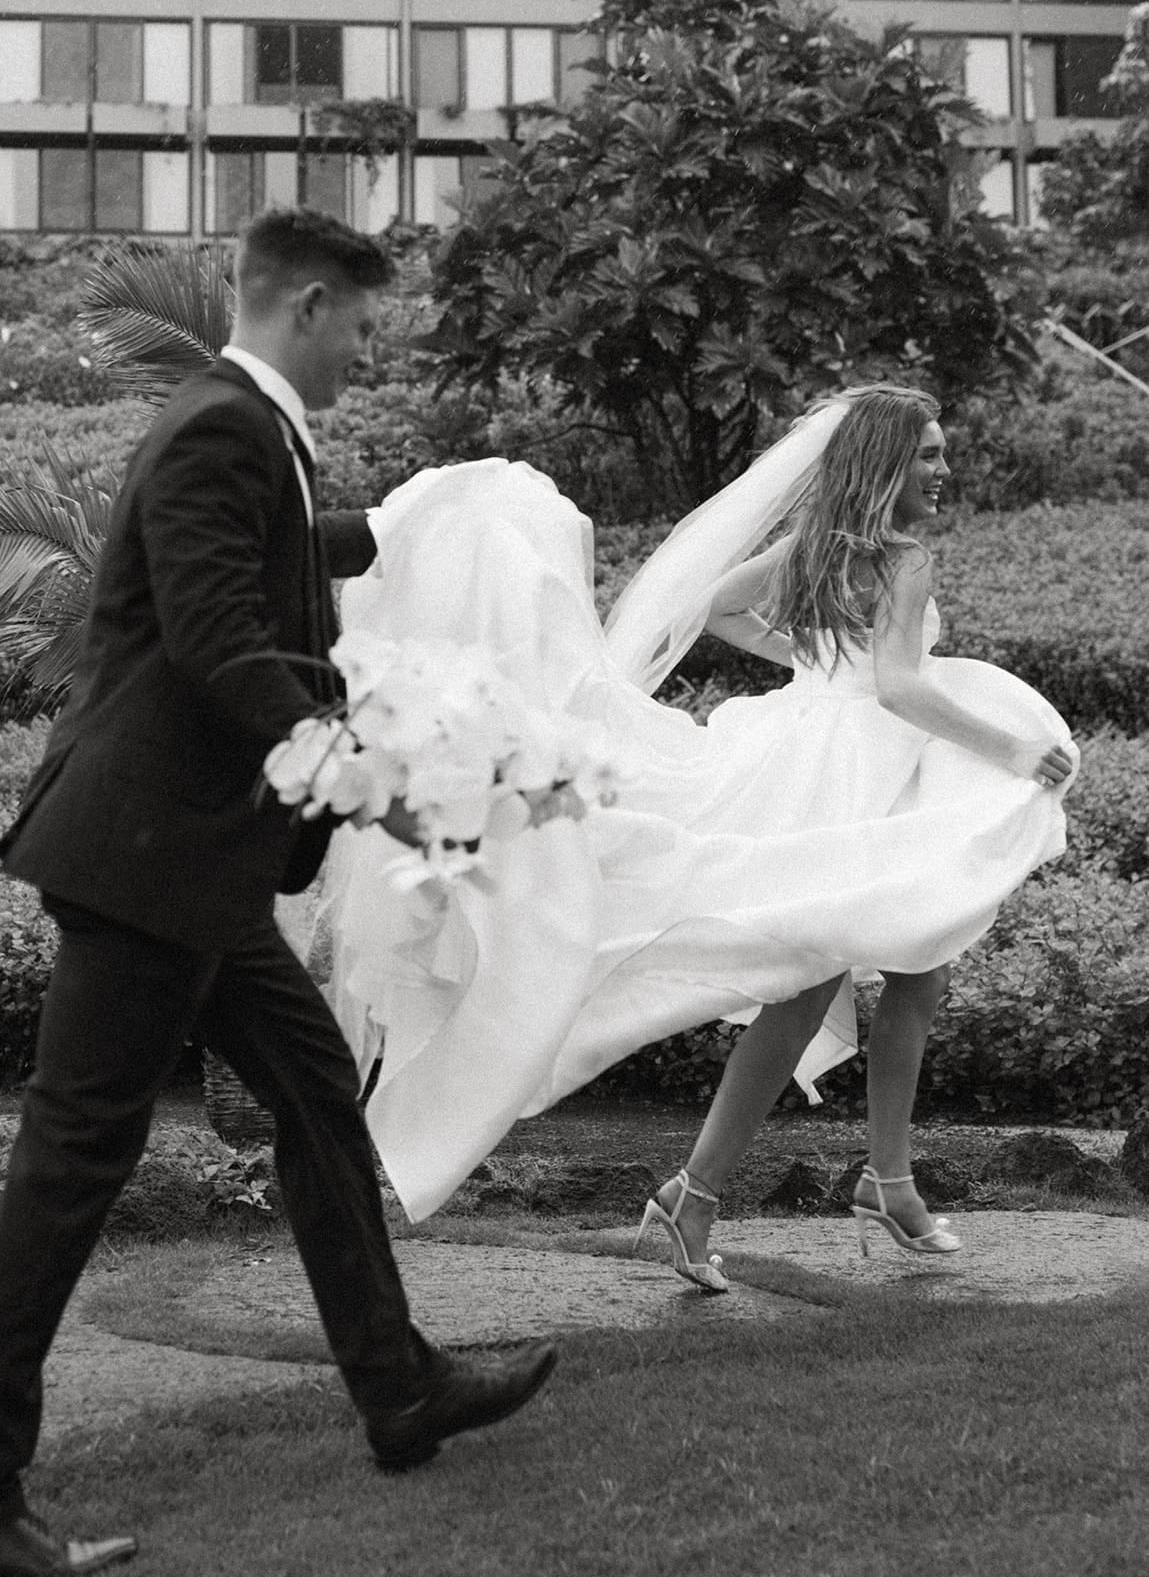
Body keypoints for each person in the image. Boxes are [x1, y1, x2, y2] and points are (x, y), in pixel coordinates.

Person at [0, 208, 555, 1577]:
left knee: (312, 1094)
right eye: (362, 326)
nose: (367, 352)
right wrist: (372, 776)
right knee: (72, 1166)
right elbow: (215, 642)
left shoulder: (251, 432)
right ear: (307, 305)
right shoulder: (220, 429)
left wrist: (419, 525)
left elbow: (276, 561)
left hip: (193, 864)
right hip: (147, 862)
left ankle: (399, 1389)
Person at [306, 387, 1076, 1262]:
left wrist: (819, 664)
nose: (944, 469)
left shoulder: (817, 544)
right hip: (856, 769)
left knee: (913, 968)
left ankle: (879, 1180)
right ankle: (702, 1193)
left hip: (807, 750)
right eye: (928, 454)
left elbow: (719, 609)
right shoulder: (902, 561)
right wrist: (1011, 748)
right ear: (885, 464)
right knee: (805, 980)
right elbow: (899, 688)